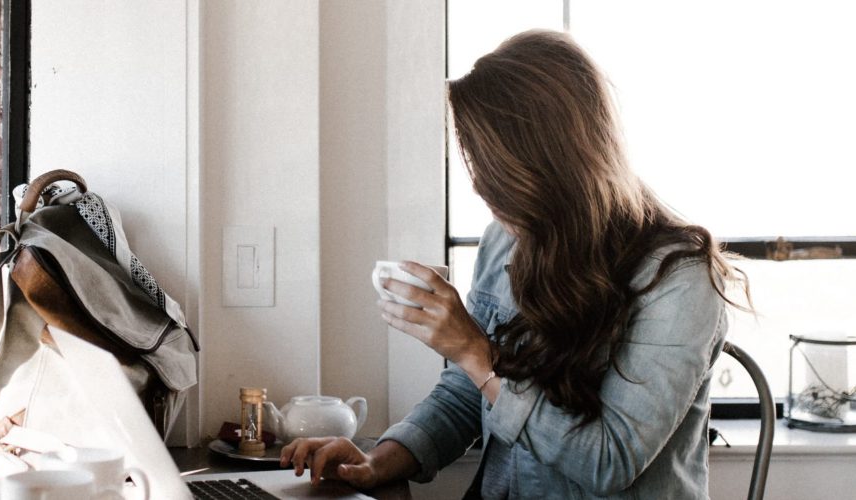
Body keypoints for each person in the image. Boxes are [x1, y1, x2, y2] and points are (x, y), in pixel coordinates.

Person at [280, 30, 749, 499]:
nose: (482, 189)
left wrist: (475, 352)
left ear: (548, 163)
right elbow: (468, 395)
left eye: (492, 170)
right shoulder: (507, 242)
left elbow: (610, 461)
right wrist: (377, 461)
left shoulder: (680, 281)